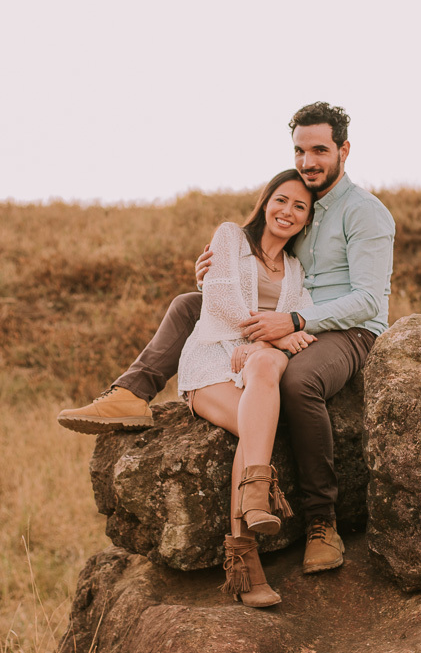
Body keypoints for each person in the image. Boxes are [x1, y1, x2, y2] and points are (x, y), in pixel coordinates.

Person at [57, 102, 396, 576]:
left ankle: (322, 522)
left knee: (298, 382)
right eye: (300, 150)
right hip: (281, 314)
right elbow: (262, 259)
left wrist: (295, 323)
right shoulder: (305, 202)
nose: (308, 161)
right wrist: (214, 273)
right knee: (185, 304)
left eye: (319, 149)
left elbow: (367, 300)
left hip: (345, 329)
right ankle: (130, 394)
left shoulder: (366, 214)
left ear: (343, 150)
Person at [179, 169, 318, 607]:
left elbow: (307, 321)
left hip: (255, 361)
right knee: (255, 427)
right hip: (212, 360)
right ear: (266, 201)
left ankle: (249, 531)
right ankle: (250, 539)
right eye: (282, 200)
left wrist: (264, 343)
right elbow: (218, 299)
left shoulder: (295, 269)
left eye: (300, 207)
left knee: (259, 394)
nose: (288, 211)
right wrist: (270, 334)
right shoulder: (231, 238)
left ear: (306, 220)